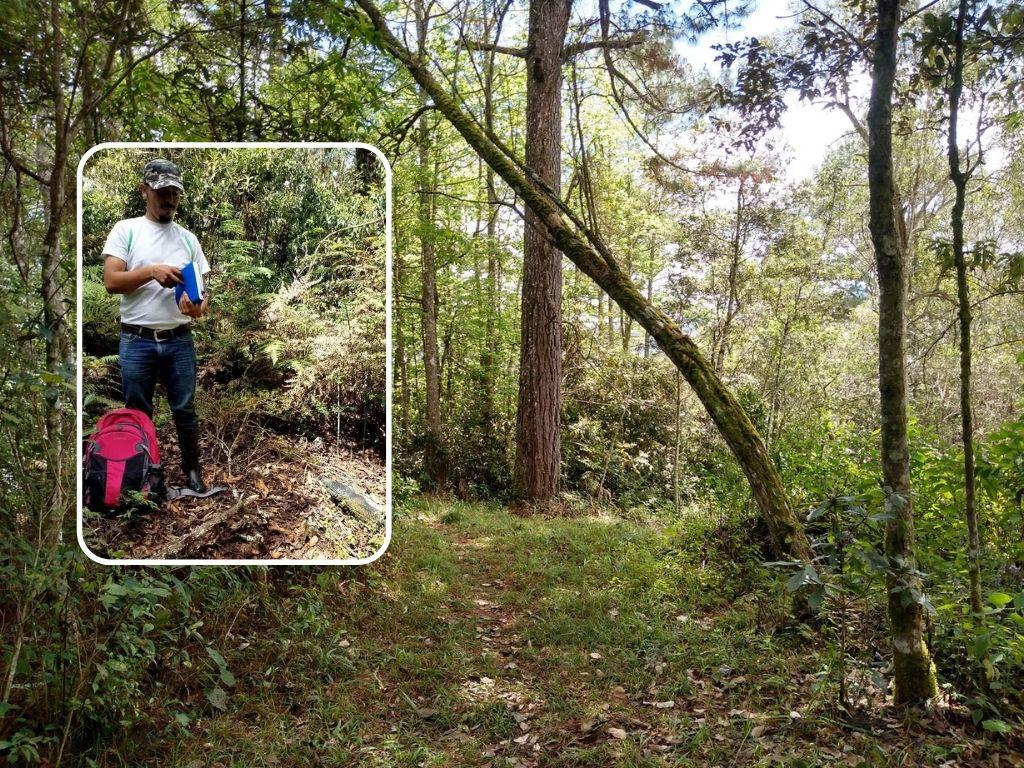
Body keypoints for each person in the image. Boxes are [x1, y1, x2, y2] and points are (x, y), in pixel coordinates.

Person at [102, 158, 211, 493]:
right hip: (137, 340)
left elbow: (203, 297)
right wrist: (152, 271)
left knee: (185, 409)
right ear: (144, 190)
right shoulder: (127, 230)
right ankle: (144, 479)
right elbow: (111, 281)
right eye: (162, 191)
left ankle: (193, 473)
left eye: (174, 192)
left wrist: (195, 306)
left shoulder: (188, 240)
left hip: (179, 339)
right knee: (138, 411)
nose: (169, 199)